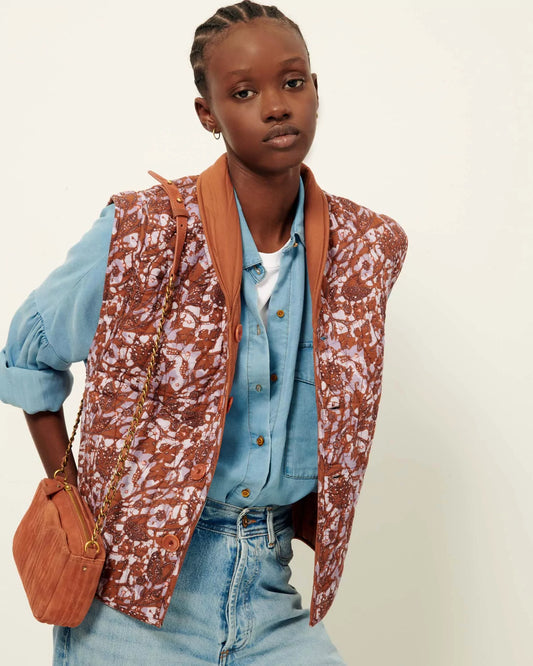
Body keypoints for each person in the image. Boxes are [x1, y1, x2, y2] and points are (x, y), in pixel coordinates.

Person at [0, 2, 408, 664]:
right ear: (207, 113)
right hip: (131, 595)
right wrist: (71, 506)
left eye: (293, 82)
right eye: (243, 93)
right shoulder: (143, 231)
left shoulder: (365, 248)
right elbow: (27, 355)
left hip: (270, 586)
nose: (275, 107)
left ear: (314, 89)